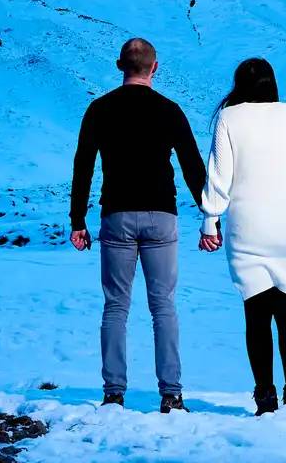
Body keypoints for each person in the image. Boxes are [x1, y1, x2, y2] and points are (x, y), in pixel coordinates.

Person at [70, 37, 206, 412]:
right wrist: (209, 215)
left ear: (119, 66)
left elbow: (83, 165)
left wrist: (77, 218)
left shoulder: (99, 109)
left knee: (116, 305)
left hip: (116, 215)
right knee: (163, 305)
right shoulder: (170, 110)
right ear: (155, 67)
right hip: (162, 215)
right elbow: (193, 166)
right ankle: (171, 394)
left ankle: (114, 392)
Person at [197, 57, 286, 415]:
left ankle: (265, 401)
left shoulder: (229, 118)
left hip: (247, 228)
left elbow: (219, 177)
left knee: (256, 316)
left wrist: (210, 220)